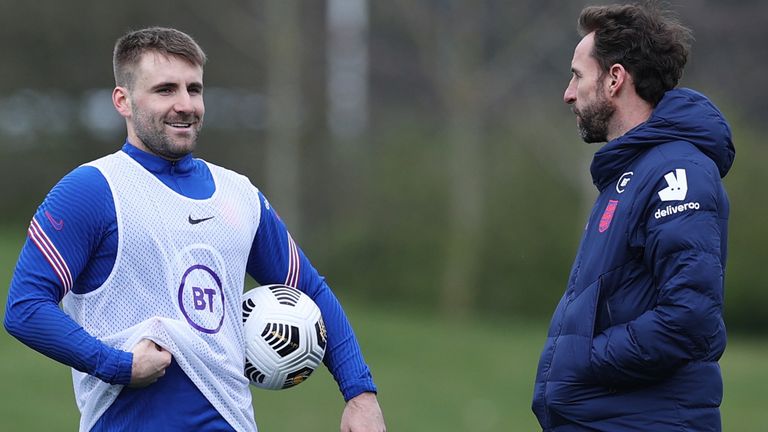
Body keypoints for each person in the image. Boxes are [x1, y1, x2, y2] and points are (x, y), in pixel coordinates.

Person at [4, 27, 386, 432]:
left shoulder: (239, 195)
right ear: (124, 100)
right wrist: (119, 365)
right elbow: (25, 308)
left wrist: (360, 394)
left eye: (194, 89)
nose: (186, 105)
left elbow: (311, 291)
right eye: (166, 90)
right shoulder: (91, 190)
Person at [532, 3, 734, 431]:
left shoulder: (678, 173)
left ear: (615, 79)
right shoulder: (630, 175)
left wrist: (586, 358)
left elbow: (689, 318)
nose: (568, 93)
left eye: (577, 75)